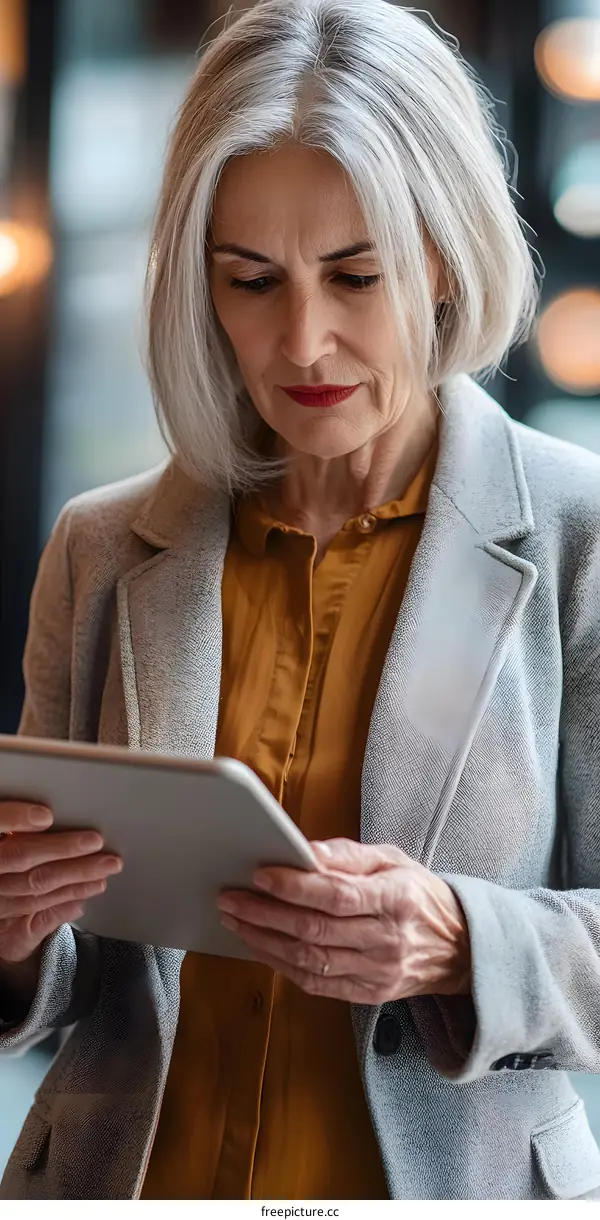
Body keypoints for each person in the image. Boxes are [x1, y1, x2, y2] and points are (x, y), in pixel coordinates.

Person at [1, 0, 600, 1202]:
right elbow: (70, 980)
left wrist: (463, 939)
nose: (304, 340)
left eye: (355, 275)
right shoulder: (102, 548)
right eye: (252, 280)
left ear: (443, 257)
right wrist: (14, 932)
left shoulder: (579, 535)